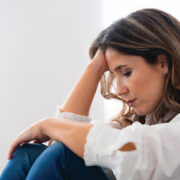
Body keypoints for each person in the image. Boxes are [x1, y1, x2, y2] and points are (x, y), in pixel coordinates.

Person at [1, 8, 180, 180]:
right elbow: (58, 145)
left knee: (64, 155)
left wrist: (48, 125)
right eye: (112, 74)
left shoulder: (156, 137)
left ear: (162, 62)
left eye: (126, 73)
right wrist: (95, 68)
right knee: (28, 156)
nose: (119, 90)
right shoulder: (145, 122)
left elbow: (132, 151)